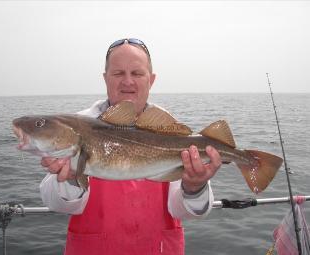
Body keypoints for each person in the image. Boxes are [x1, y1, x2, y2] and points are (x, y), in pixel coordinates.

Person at [39, 38, 222, 255]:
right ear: (105, 78)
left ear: (151, 80)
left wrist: (194, 187)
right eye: (118, 73)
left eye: (137, 73)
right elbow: (56, 204)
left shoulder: (171, 130)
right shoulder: (75, 126)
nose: (128, 81)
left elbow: (188, 212)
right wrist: (70, 178)